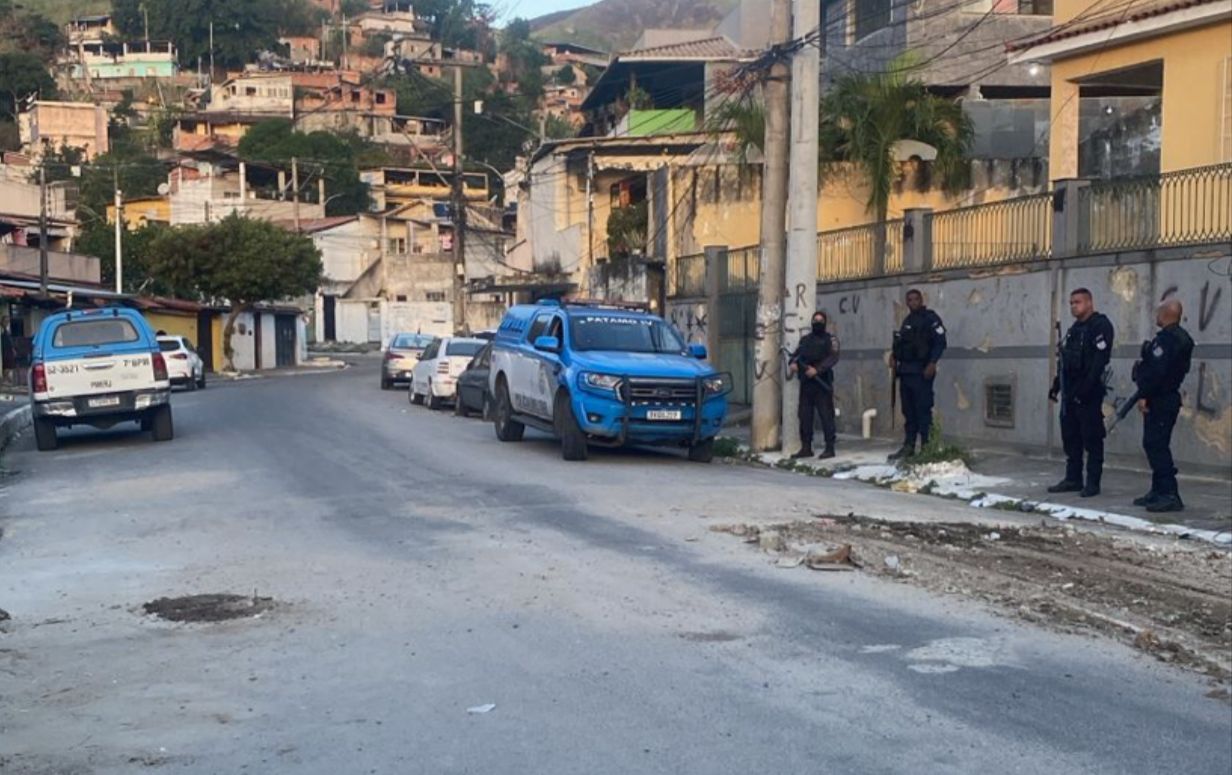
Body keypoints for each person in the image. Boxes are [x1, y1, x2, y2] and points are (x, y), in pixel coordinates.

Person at [1049, 288, 1115, 497]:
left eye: (1077, 302)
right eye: (1071, 303)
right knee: (1071, 438)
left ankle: (1092, 483)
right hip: (1070, 392)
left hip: (1088, 392)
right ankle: (1073, 478)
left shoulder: (1100, 326)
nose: (1073, 306)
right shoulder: (1074, 329)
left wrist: (1086, 390)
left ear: (1089, 302)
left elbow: (1099, 361)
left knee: (1092, 439)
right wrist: (1057, 386)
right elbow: (1065, 362)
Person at [1131, 299, 1194, 513]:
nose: (1156, 316)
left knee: (1156, 445)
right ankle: (1158, 491)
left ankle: (1169, 494)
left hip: (1160, 398)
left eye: (1158, 312)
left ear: (1166, 314)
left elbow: (1157, 373)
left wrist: (1144, 394)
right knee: (1156, 444)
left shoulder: (1166, 340)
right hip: (1167, 397)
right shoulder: (1183, 338)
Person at [889, 289, 946, 461]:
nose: (913, 302)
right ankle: (909, 446)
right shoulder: (907, 321)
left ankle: (927, 447)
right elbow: (902, 345)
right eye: (909, 300)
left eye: (915, 299)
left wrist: (932, 362)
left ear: (921, 300)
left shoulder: (931, 318)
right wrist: (894, 356)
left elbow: (940, 342)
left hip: (922, 372)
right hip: (906, 372)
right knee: (909, 412)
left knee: (923, 410)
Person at [789, 311, 840, 459]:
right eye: (815, 320)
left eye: (820, 320)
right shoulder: (805, 340)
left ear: (825, 322)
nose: (817, 322)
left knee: (826, 416)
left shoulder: (831, 339)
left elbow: (833, 357)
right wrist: (793, 363)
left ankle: (830, 448)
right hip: (807, 384)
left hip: (822, 382)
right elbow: (796, 355)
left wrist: (817, 370)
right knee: (805, 416)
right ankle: (806, 447)